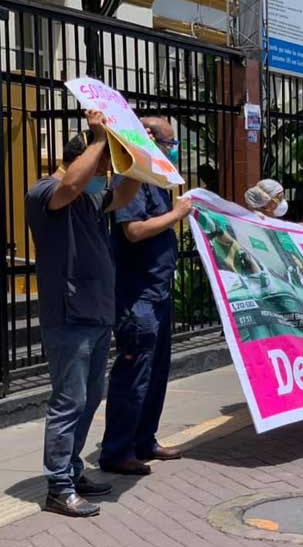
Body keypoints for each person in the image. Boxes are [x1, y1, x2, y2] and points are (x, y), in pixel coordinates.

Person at [25, 110, 142, 517]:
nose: (104, 176)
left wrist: (140, 160)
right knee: (69, 401)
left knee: (91, 398)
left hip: (97, 316)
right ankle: (57, 486)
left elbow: (122, 196)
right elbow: (73, 183)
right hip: (69, 317)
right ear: (84, 159)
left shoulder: (92, 198)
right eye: (102, 167)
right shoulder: (44, 193)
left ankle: (72, 472)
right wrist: (98, 140)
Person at [99, 117, 192, 477]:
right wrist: (175, 215)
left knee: (156, 372)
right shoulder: (130, 180)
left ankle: (144, 440)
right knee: (134, 373)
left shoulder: (157, 181)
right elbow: (134, 231)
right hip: (137, 295)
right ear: (153, 142)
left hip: (157, 292)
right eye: (170, 143)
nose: (173, 149)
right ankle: (117, 450)